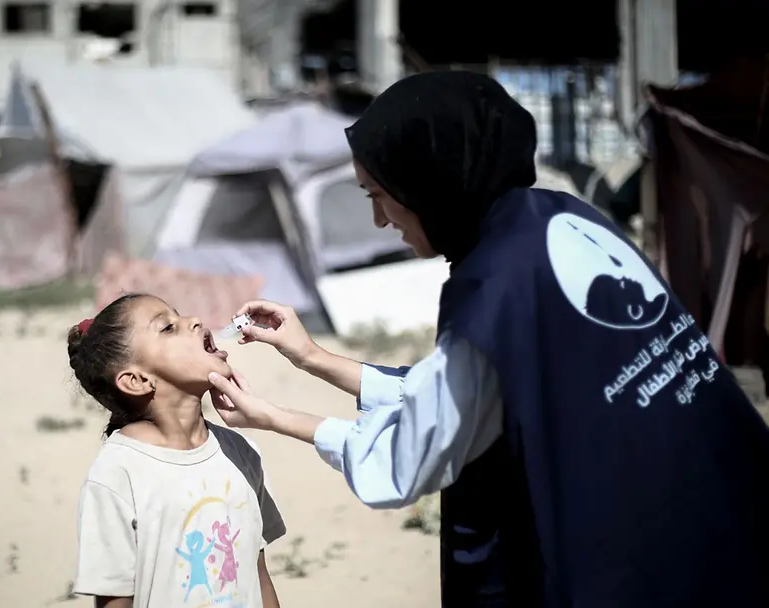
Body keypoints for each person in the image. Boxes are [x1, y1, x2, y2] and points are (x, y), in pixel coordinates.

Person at [207, 70, 769, 607]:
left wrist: (272, 417)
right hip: (723, 512)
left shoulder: (494, 286)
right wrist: (311, 358)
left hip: (637, 560)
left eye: (376, 194)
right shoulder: (561, 221)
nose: (380, 221)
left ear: (428, 181)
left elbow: (404, 463)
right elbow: (478, 392)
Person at [68, 294, 285, 608]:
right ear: (137, 380)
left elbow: (258, 574)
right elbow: (115, 599)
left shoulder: (240, 451)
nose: (194, 321)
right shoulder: (117, 473)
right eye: (167, 327)